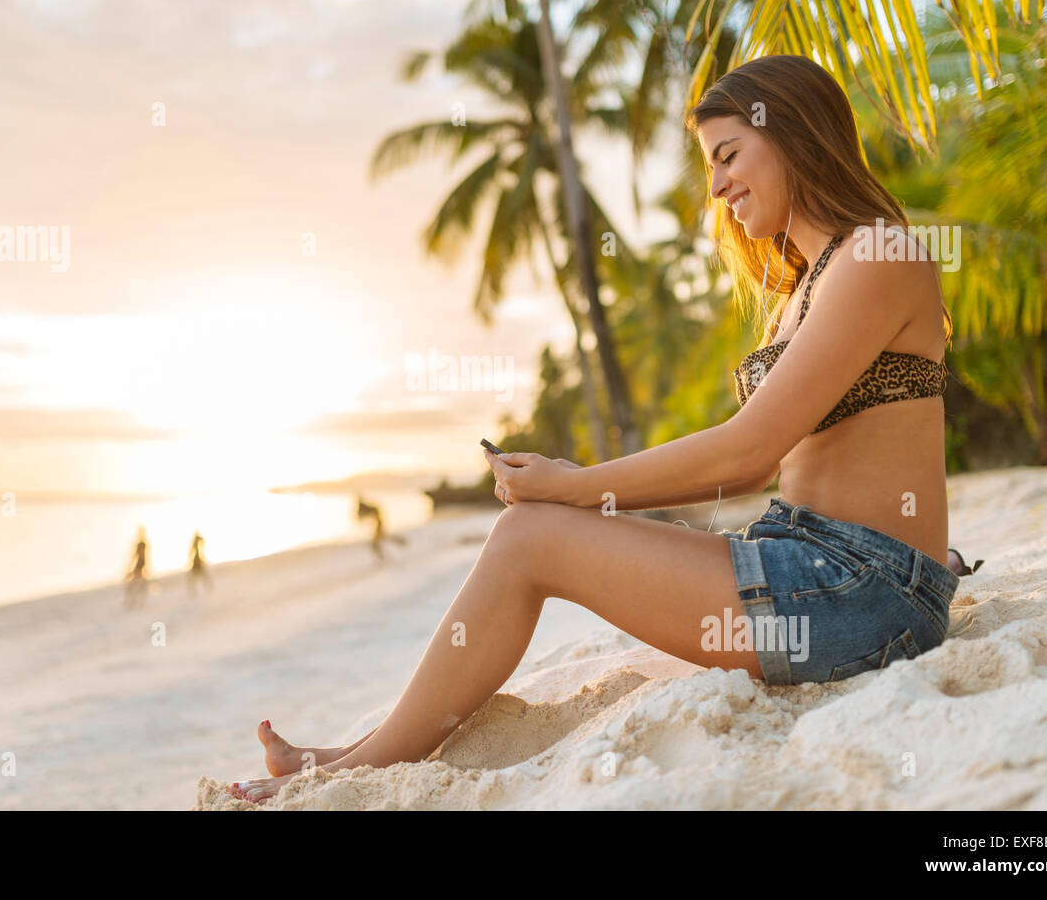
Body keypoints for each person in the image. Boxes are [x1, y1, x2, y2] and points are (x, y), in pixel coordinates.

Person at [229, 55, 969, 803]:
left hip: (864, 592)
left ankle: (362, 765)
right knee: (534, 533)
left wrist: (576, 485)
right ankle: (362, 749)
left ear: (793, 134)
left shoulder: (877, 254)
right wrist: (574, 491)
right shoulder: (804, 285)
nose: (715, 187)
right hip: (806, 561)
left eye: (728, 155)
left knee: (529, 538)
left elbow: (748, 452)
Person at [355, 495, 407, 560]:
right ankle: (401, 542)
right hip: (378, 526)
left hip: (378, 526)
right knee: (382, 539)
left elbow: (372, 515)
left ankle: (383, 556)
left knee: (377, 542)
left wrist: (372, 523)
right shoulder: (366, 507)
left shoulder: (366, 507)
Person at [123, 527, 150, 609]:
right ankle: (135, 601)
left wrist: (129, 567)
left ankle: (135, 601)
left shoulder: (142, 544)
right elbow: (138, 556)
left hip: (140, 566)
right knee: (137, 585)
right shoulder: (143, 543)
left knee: (135, 585)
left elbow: (136, 556)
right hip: (140, 566)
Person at [187, 531, 212, 596]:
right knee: (197, 576)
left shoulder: (195, 542)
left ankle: (207, 587)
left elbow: (191, 552)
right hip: (196, 562)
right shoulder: (195, 543)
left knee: (200, 576)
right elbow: (191, 552)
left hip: (197, 561)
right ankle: (193, 590)